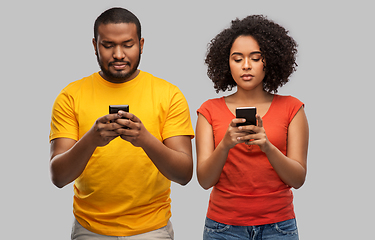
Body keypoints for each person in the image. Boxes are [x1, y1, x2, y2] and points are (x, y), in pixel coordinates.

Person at [49, 7, 194, 239]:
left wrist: (144, 139)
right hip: (90, 229)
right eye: (108, 45)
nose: (118, 54)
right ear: (95, 45)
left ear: (141, 44)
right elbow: (58, 177)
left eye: (128, 44)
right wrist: (91, 139)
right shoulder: (70, 96)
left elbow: (184, 174)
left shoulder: (169, 94)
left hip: (152, 229)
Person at [196, 15, 309, 240]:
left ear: (270, 60)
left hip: (278, 227)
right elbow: (204, 181)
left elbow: (297, 179)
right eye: (237, 59)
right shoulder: (208, 111)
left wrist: (268, 147)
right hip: (223, 228)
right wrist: (226, 145)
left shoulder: (292, 108)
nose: (246, 66)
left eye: (255, 58)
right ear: (226, 63)